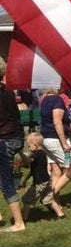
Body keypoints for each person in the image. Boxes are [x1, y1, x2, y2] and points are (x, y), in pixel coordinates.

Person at [0, 57, 26, 232]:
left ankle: (18, 223)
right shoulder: (8, 91)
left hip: (4, 140)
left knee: (6, 181)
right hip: (13, 137)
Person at [39, 88, 71, 200]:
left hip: (46, 138)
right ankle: (49, 196)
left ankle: (56, 203)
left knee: (56, 172)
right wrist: (64, 143)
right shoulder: (57, 100)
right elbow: (57, 122)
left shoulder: (44, 100)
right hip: (55, 139)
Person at [20, 132, 65, 219]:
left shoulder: (36, 154)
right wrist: (26, 179)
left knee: (26, 200)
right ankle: (61, 214)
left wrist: (21, 153)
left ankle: (23, 219)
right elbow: (35, 170)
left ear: (35, 145)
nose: (29, 148)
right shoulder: (43, 153)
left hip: (39, 183)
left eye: (29, 146)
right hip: (47, 181)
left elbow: (28, 161)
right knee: (48, 199)